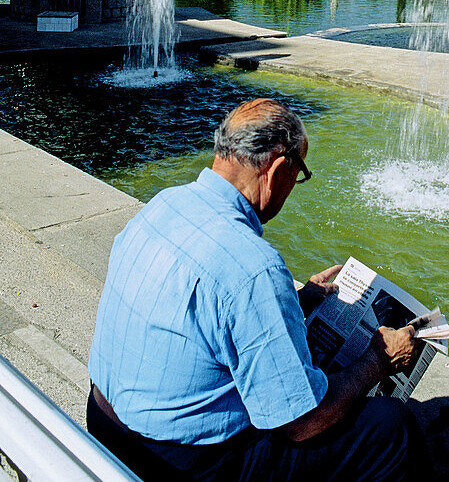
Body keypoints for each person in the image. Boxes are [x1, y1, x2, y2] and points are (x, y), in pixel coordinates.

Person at [87, 98, 425, 481]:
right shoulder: (254, 266)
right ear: (279, 168)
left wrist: (298, 302)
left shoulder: (165, 204)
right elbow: (302, 423)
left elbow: (205, 317)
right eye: (299, 175)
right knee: (390, 427)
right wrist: (378, 362)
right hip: (173, 463)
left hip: (103, 423)